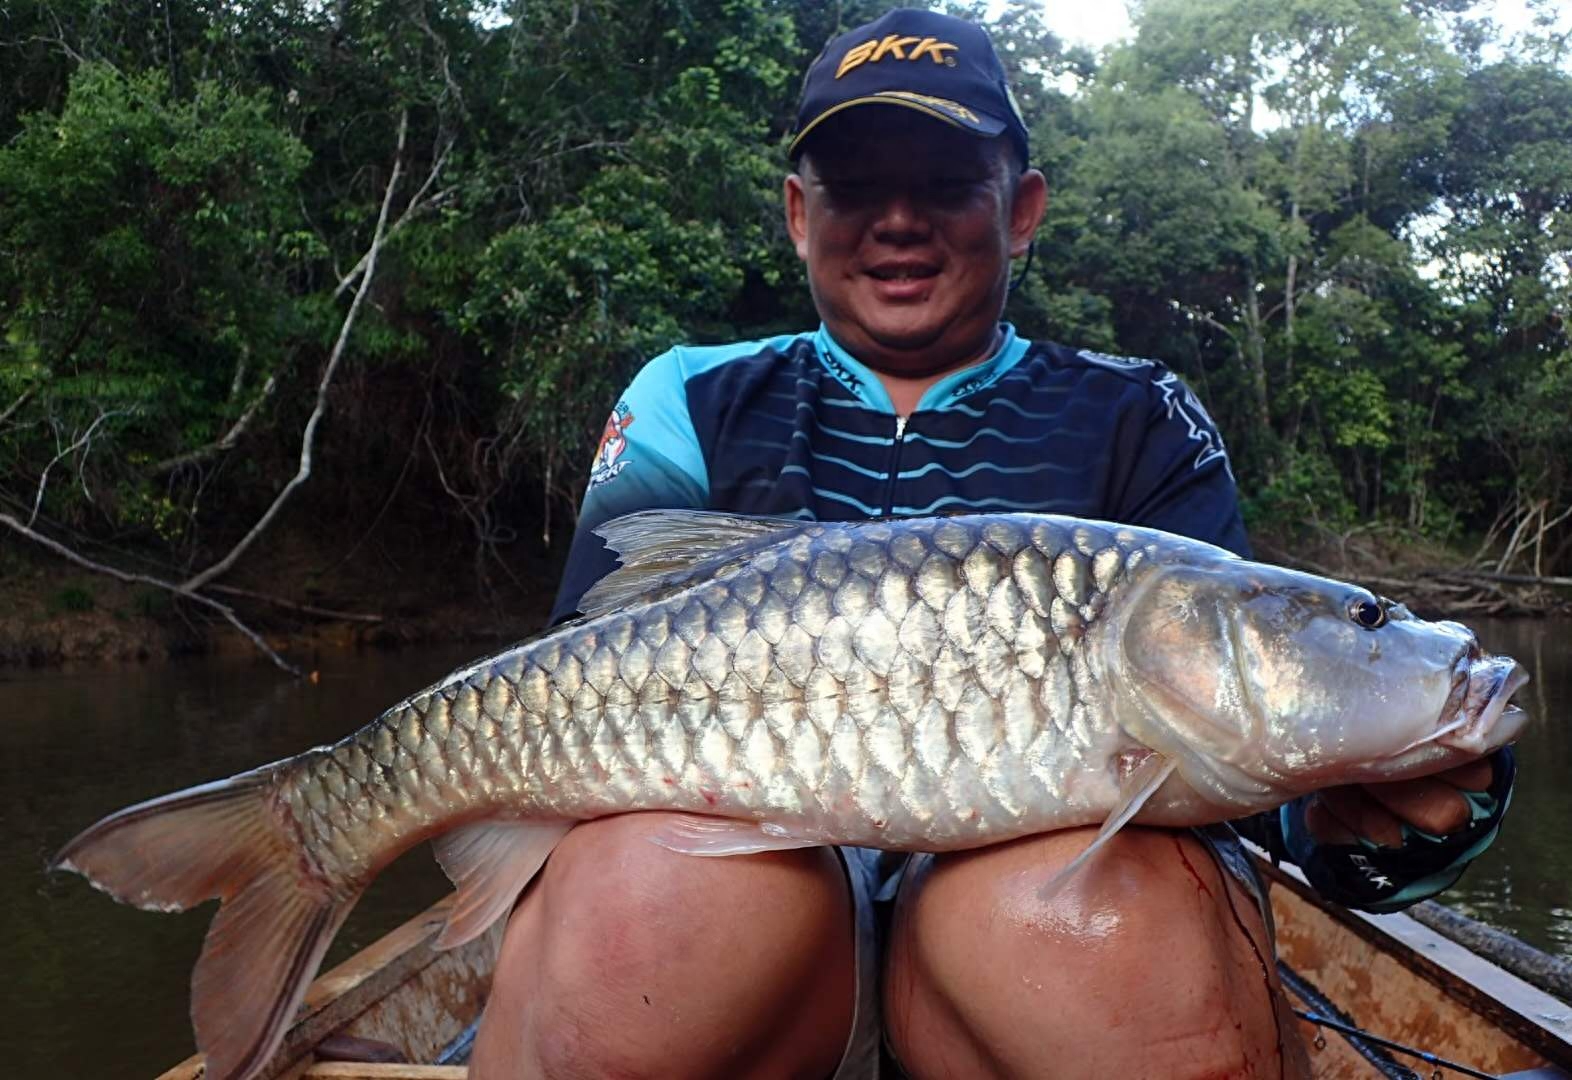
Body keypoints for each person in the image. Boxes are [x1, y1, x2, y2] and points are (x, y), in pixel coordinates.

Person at [469, 10, 1515, 1078]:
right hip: (760, 944)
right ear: (797, 213)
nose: (898, 222)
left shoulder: (1140, 417)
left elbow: (1256, 782)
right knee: (645, 915)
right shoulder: (689, 396)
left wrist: (1392, 822)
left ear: (1021, 211)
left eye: (945, 184)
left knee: (1082, 924)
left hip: (1000, 978)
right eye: (856, 187)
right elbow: (576, 699)